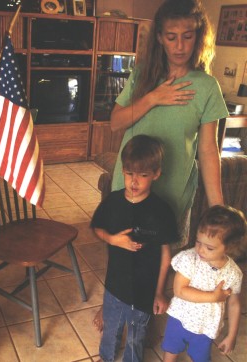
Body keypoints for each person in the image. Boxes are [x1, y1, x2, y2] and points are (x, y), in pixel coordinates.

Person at [94, 0, 228, 332]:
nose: (179, 45)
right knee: (121, 247)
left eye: (187, 36)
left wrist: (217, 207)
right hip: (131, 186)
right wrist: (153, 97)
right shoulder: (142, 75)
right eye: (171, 36)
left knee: (161, 253)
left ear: (198, 38)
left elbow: (208, 151)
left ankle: (151, 304)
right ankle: (111, 303)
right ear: (159, 38)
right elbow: (114, 122)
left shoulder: (206, 86)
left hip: (173, 189)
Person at [91, 135, 179, 362]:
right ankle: (106, 357)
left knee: (136, 336)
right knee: (111, 330)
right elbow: (96, 228)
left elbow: (165, 256)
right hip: (114, 287)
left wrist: (159, 292)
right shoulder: (113, 201)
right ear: (122, 170)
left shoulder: (162, 211)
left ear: (156, 174)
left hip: (144, 290)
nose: (134, 182)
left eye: (143, 175)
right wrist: (111, 239)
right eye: (129, 173)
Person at [162, 205, 246, 361]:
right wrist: (213, 297)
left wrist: (232, 335)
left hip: (206, 326)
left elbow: (234, 304)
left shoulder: (233, 273)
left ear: (229, 247)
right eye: (198, 242)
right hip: (179, 318)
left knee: (200, 357)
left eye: (209, 247)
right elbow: (180, 290)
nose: (200, 250)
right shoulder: (189, 259)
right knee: (171, 350)